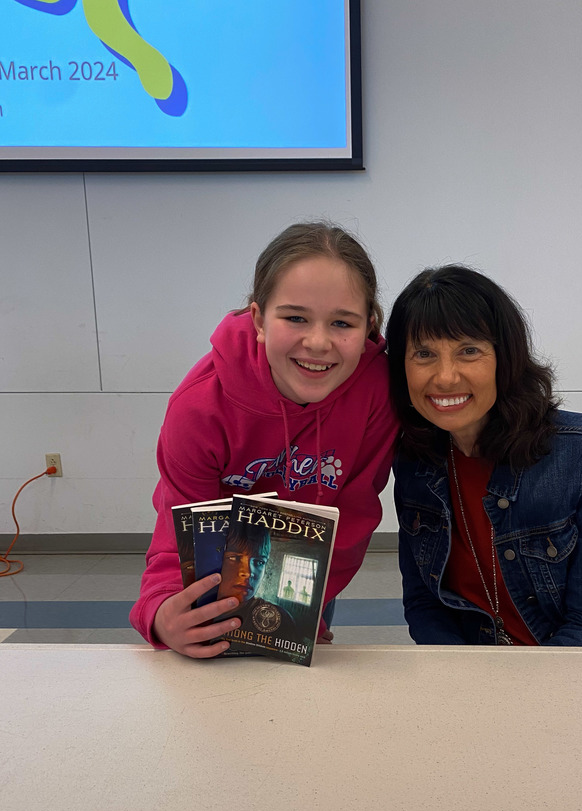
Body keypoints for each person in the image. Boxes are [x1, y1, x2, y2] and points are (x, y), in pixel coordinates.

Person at [130, 222, 398, 658]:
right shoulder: (199, 407)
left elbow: (351, 514)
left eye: (342, 323)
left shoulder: (376, 392)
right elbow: (178, 529)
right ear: (258, 319)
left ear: (367, 325)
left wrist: (303, 609)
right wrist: (160, 611)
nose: (317, 341)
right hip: (216, 580)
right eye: (295, 317)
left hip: (308, 575)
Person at [386, 265, 582, 647]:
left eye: (469, 350)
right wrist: (459, 680)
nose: (445, 377)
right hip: (476, 673)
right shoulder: (414, 459)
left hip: (580, 669)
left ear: (505, 358)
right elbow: (424, 603)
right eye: (424, 353)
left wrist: (525, 698)